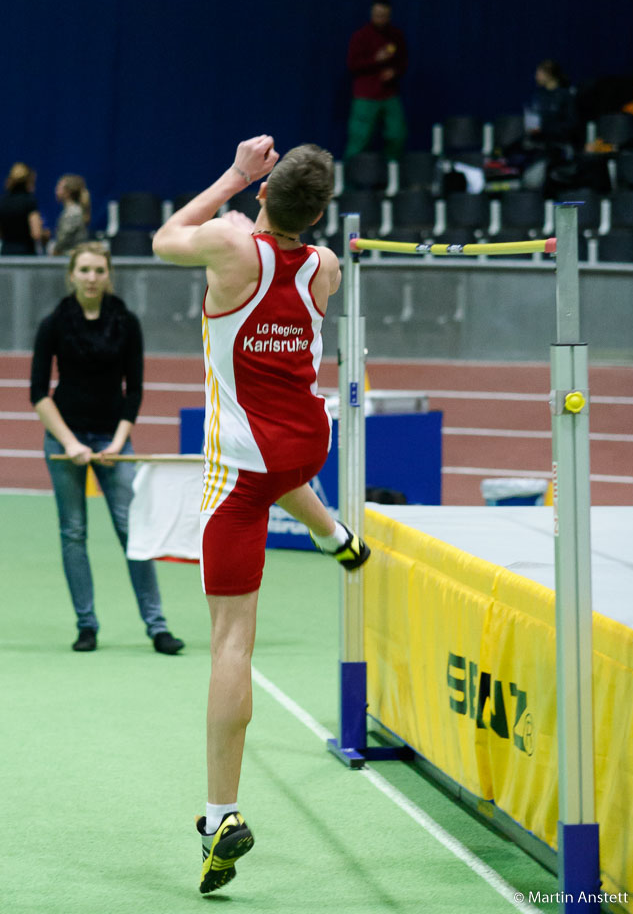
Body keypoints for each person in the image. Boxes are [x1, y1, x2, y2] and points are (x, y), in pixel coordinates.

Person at [152, 135, 370, 894]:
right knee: (283, 469)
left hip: (241, 471)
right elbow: (292, 250)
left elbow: (163, 237)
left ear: (267, 195)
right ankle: (335, 530)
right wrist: (276, 199)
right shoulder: (327, 268)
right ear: (320, 216)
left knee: (230, 641)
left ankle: (221, 816)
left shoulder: (229, 245)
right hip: (306, 446)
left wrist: (235, 174)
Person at [30, 241, 184, 656]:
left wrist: (117, 443)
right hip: (65, 442)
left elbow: (133, 391)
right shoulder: (53, 324)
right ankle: (87, 626)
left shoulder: (126, 322)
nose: (92, 278)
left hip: (113, 441)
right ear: (71, 275)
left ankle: (157, 627)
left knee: (133, 533)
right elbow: (38, 394)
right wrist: (70, 443)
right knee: (73, 533)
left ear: (108, 274)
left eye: (99, 270)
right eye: (84, 270)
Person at [345, 0, 408, 162]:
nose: (380, 18)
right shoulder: (361, 36)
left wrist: (394, 72)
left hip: (389, 93)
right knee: (359, 138)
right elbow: (353, 65)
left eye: (384, 15)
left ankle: (390, 177)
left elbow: (403, 62)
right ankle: (350, 181)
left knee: (397, 134)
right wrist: (376, 59)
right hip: (365, 95)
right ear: (372, 13)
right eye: (377, 14)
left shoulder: (396, 35)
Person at [0, 162, 44, 255]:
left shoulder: (2, 202)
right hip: (26, 253)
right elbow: (36, 233)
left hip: (6, 252)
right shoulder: (29, 201)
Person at [49, 174, 90, 255]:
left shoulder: (73, 212)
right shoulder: (70, 211)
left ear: (68, 192)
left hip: (69, 257)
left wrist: (55, 250)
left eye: (59, 188)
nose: (56, 191)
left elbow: (64, 238)